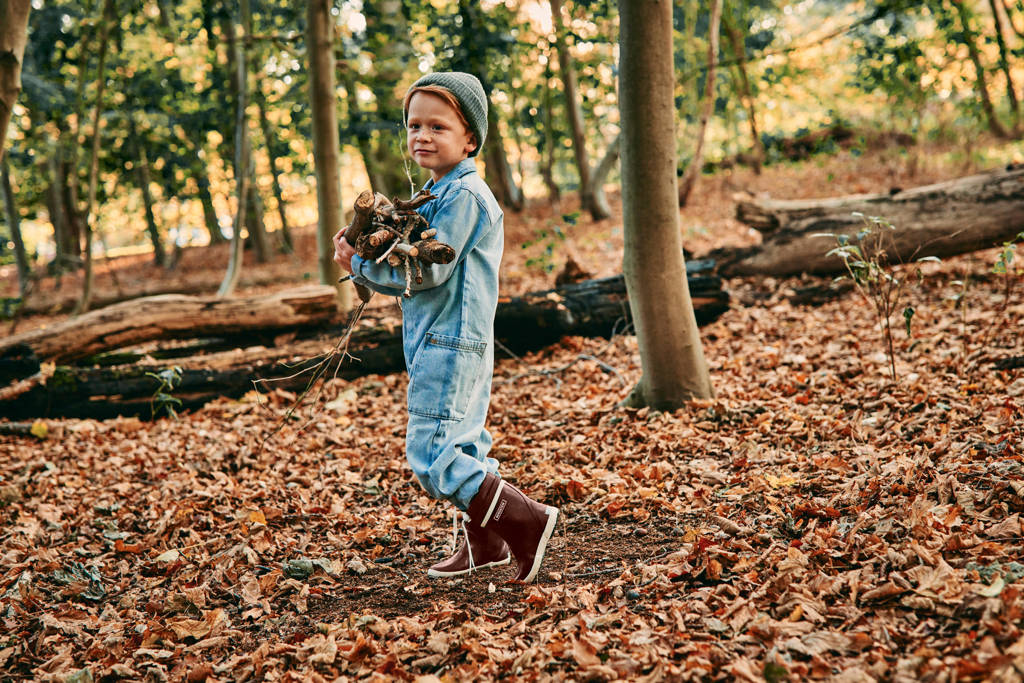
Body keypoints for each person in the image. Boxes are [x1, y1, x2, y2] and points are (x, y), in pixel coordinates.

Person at [333, 72, 559, 584]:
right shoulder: (437, 192)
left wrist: (358, 267)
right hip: (441, 337)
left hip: (451, 340)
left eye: (438, 126)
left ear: (470, 139)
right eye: (414, 125)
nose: (422, 136)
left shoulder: (466, 197)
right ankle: (488, 544)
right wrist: (367, 241)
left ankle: (527, 522)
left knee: (433, 455)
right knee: (465, 443)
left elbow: (429, 271)